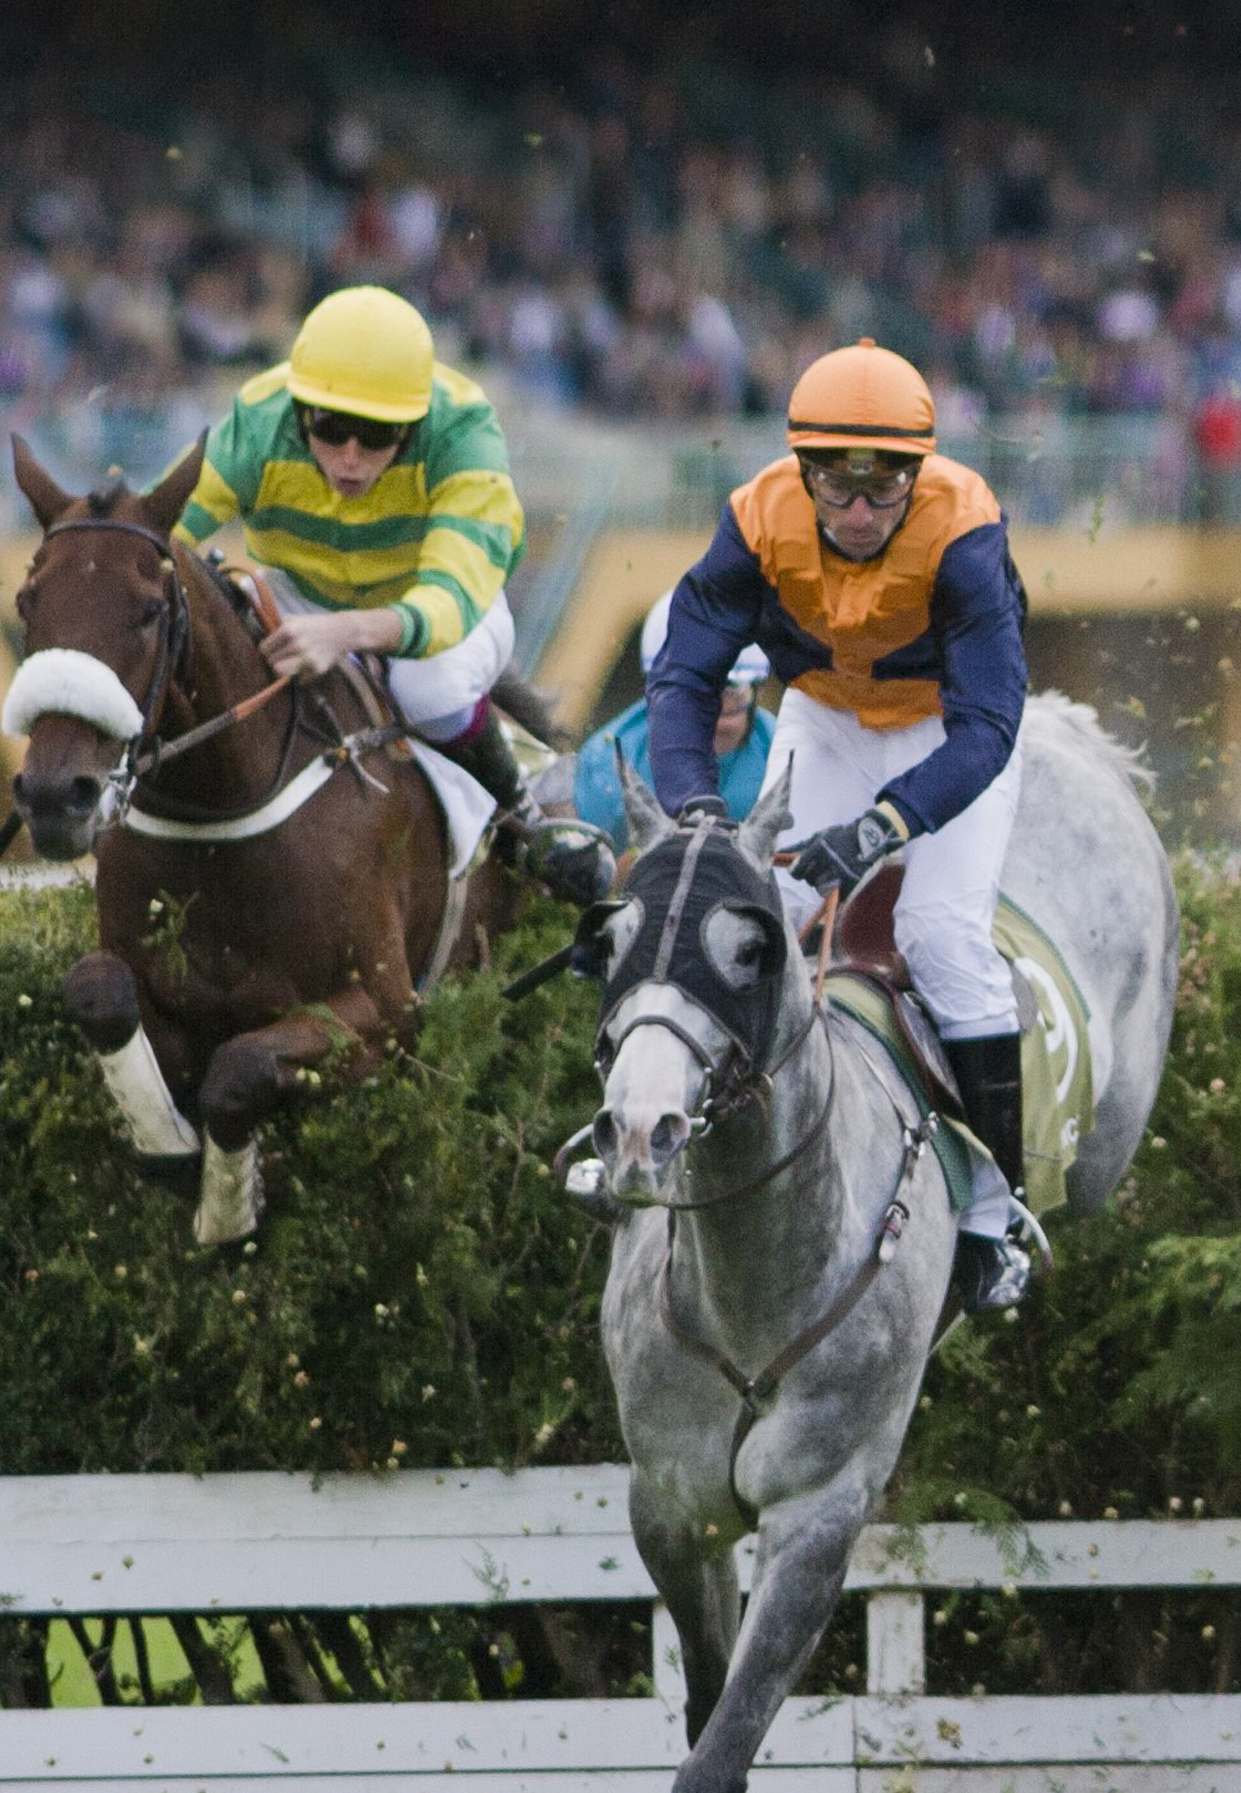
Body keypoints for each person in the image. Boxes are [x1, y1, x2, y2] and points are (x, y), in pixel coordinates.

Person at [642, 344, 1048, 1310]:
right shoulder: (756, 517)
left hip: (948, 733)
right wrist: (697, 804)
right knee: (746, 913)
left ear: (920, 473)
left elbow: (992, 722)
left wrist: (884, 828)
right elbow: (684, 674)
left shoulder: (965, 526)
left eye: (885, 484)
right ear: (801, 468)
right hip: (824, 716)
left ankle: (998, 1216)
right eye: (836, 481)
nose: (860, 511)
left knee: (939, 937)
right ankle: (666, 1142)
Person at [177, 283, 614, 905]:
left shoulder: (464, 432)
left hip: (445, 612)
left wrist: (348, 632)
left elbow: (446, 604)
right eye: (329, 429)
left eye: (377, 436)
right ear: (301, 410)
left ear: (413, 425)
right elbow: (162, 527)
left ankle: (527, 815)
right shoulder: (260, 418)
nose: (350, 458)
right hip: (302, 594)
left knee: (426, 689)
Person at [574, 591, 774, 828]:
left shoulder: (786, 757)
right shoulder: (607, 767)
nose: (714, 717)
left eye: (733, 691)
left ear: (756, 689)